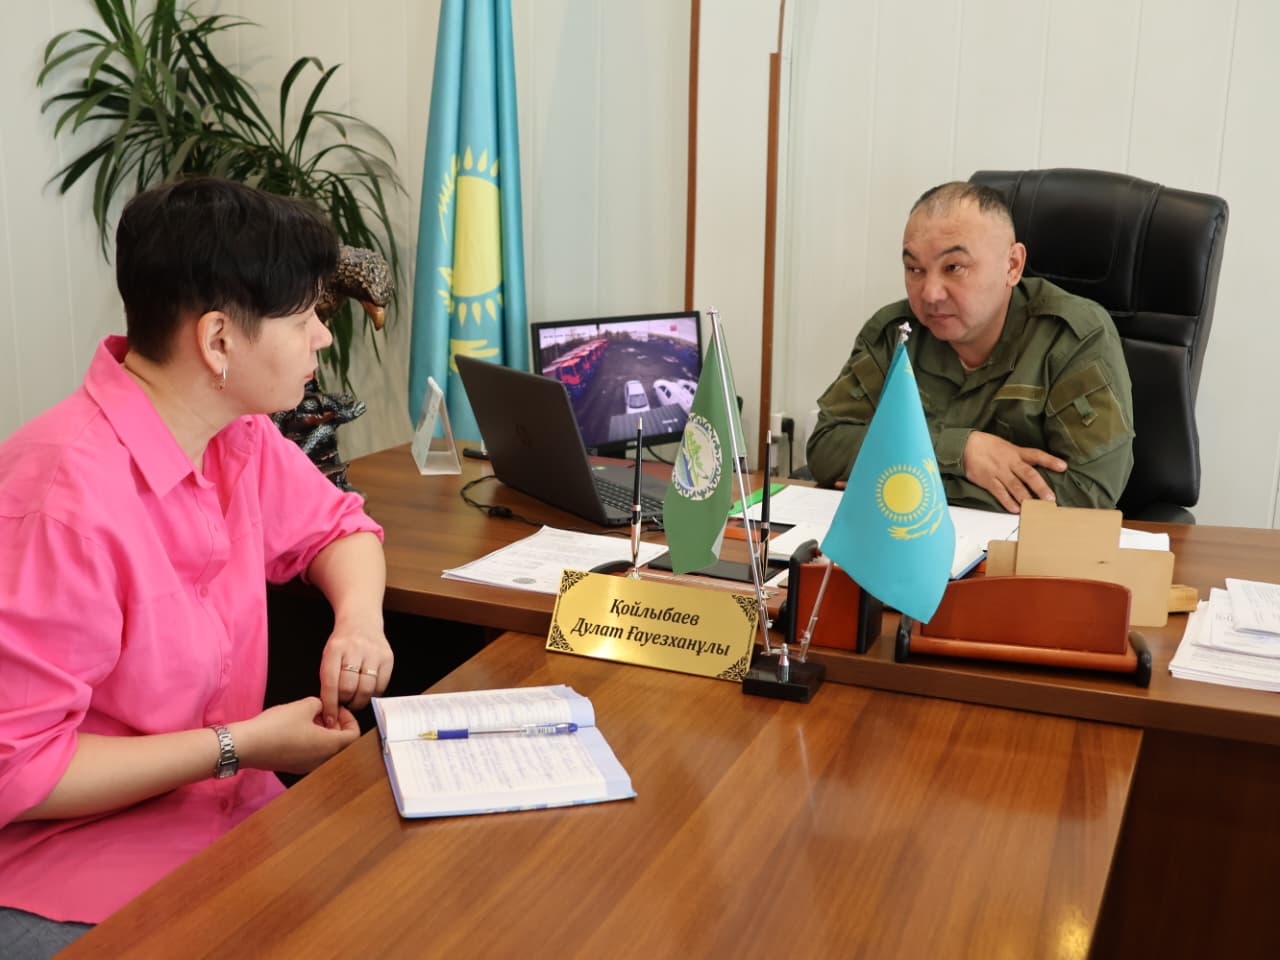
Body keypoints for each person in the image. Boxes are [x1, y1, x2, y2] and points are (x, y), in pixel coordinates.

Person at [0, 177, 392, 956]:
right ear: (218, 342)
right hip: (77, 868)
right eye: (305, 318)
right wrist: (240, 745)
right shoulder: (62, 496)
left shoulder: (235, 435)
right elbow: (21, 769)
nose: (322, 337)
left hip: (235, 821)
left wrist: (359, 621)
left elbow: (341, 528)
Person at [806, 181, 1135, 513]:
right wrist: (961, 451)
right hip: (909, 538)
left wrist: (907, 481)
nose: (930, 293)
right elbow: (827, 448)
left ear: (1012, 266)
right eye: (915, 269)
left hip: (1023, 545)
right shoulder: (895, 333)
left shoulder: (1071, 336)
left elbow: (1088, 492)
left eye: (954, 268)